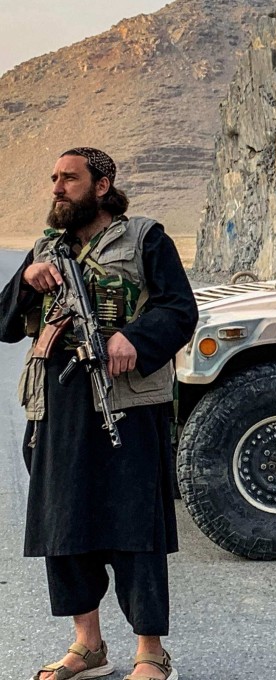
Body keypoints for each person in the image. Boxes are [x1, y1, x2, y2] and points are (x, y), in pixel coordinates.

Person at [0, 148, 198, 680]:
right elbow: (3, 322)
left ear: (103, 185)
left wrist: (134, 337)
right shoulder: (45, 247)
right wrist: (27, 281)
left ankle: (151, 653)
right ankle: (87, 647)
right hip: (55, 410)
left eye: (70, 179)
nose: (57, 188)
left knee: (134, 529)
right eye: (54, 178)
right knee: (63, 530)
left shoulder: (146, 238)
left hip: (124, 404)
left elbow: (180, 309)